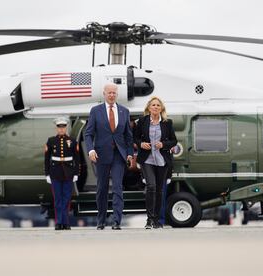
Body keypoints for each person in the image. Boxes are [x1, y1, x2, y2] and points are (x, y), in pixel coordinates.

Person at [84, 83, 134, 230]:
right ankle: (101, 220)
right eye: (109, 93)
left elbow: (128, 136)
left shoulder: (124, 111)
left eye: (114, 93)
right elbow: (88, 134)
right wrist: (91, 150)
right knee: (102, 188)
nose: (112, 95)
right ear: (104, 94)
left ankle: (117, 220)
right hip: (101, 155)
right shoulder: (95, 111)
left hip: (119, 155)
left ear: (117, 94)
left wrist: (130, 153)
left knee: (118, 187)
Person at [134, 96, 177, 229]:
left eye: (158, 105)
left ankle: (157, 220)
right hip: (147, 159)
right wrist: (141, 144)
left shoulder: (167, 122)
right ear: (148, 107)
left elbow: (173, 141)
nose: (155, 107)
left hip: (162, 159)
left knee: (159, 190)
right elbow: (134, 137)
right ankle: (149, 219)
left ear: (161, 108)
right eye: (153, 105)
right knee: (151, 186)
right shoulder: (142, 121)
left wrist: (163, 144)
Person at [44, 117, 80, 230]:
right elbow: (46, 159)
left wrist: (76, 173)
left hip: (68, 173)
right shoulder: (50, 141)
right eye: (59, 127)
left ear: (66, 127)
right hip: (55, 173)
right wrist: (47, 174)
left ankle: (65, 222)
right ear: (56, 128)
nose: (61, 129)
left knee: (67, 199)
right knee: (58, 199)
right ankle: (59, 222)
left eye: (63, 127)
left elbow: (77, 158)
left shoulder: (73, 141)